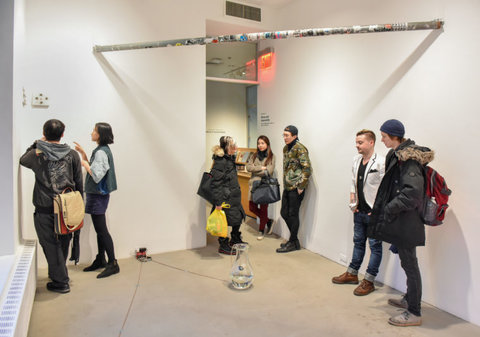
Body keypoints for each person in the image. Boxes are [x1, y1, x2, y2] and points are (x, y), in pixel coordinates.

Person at [368, 119, 433, 327]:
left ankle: (414, 312)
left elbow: (412, 194)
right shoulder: (397, 155)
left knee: (410, 264)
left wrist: (389, 208)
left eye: (384, 136)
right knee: (407, 263)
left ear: (394, 136)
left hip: (407, 222)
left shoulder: (410, 160)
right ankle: (409, 299)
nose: (382, 139)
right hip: (402, 220)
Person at [20, 119, 83, 293]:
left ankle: (61, 281)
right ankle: (58, 274)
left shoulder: (37, 154)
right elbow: (79, 182)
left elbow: (22, 160)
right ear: (62, 134)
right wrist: (80, 206)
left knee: (49, 244)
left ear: (44, 133)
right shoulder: (72, 154)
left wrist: (36, 143)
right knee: (63, 241)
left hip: (45, 206)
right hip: (67, 207)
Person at [332, 129, 385, 296]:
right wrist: (353, 203)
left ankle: (369, 281)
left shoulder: (381, 162)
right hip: (359, 211)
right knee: (358, 242)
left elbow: (385, 190)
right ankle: (352, 273)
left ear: (371, 142)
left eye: (360, 143)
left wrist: (377, 210)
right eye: (356, 142)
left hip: (373, 214)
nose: (357, 146)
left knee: (375, 246)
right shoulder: (356, 160)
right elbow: (353, 183)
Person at [74, 123, 119, 278]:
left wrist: (85, 164)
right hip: (98, 195)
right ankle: (101, 259)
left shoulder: (101, 152)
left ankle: (113, 263)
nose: (92, 132)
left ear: (100, 134)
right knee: (100, 230)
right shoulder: (102, 150)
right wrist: (84, 155)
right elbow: (96, 169)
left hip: (98, 196)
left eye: (94, 130)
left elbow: (96, 175)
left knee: (102, 230)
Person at [276, 125, 312, 253]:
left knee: (293, 214)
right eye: (284, 135)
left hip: (296, 187)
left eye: (287, 135)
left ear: (294, 136)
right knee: (284, 213)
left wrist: (301, 186)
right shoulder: (286, 148)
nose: (284, 138)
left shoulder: (300, 149)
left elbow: (307, 169)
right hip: (287, 186)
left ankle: (292, 242)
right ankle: (294, 241)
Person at [210, 136, 246, 255]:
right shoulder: (220, 161)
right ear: (226, 147)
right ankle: (223, 244)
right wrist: (218, 202)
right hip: (225, 198)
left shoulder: (229, 158)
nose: (235, 148)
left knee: (237, 218)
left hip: (233, 196)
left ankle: (235, 239)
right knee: (222, 222)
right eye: (232, 146)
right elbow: (216, 183)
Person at [246, 135, 276, 240]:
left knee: (263, 209)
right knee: (251, 207)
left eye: (262, 143)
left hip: (264, 186)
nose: (260, 145)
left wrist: (256, 169)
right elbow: (248, 167)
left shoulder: (271, 156)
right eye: (259, 143)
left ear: (267, 144)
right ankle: (268, 221)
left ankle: (261, 230)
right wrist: (260, 167)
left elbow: (269, 171)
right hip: (253, 186)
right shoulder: (254, 155)